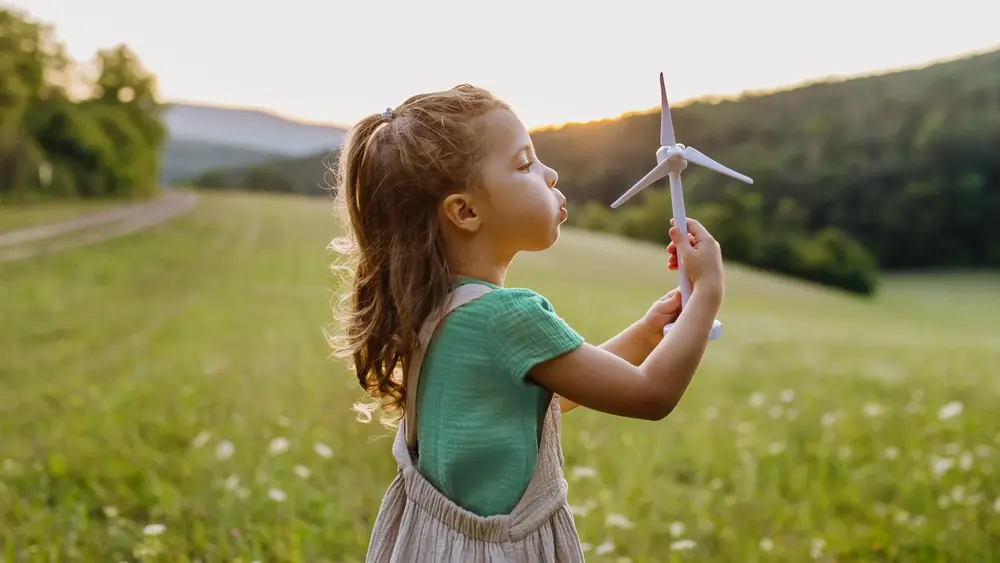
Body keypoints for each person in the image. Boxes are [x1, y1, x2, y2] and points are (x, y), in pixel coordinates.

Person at [328, 84, 725, 562]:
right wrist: (707, 292)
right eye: (524, 164)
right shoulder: (507, 315)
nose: (550, 173)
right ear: (466, 211)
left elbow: (560, 393)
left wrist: (647, 330)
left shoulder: (434, 307)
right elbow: (649, 395)